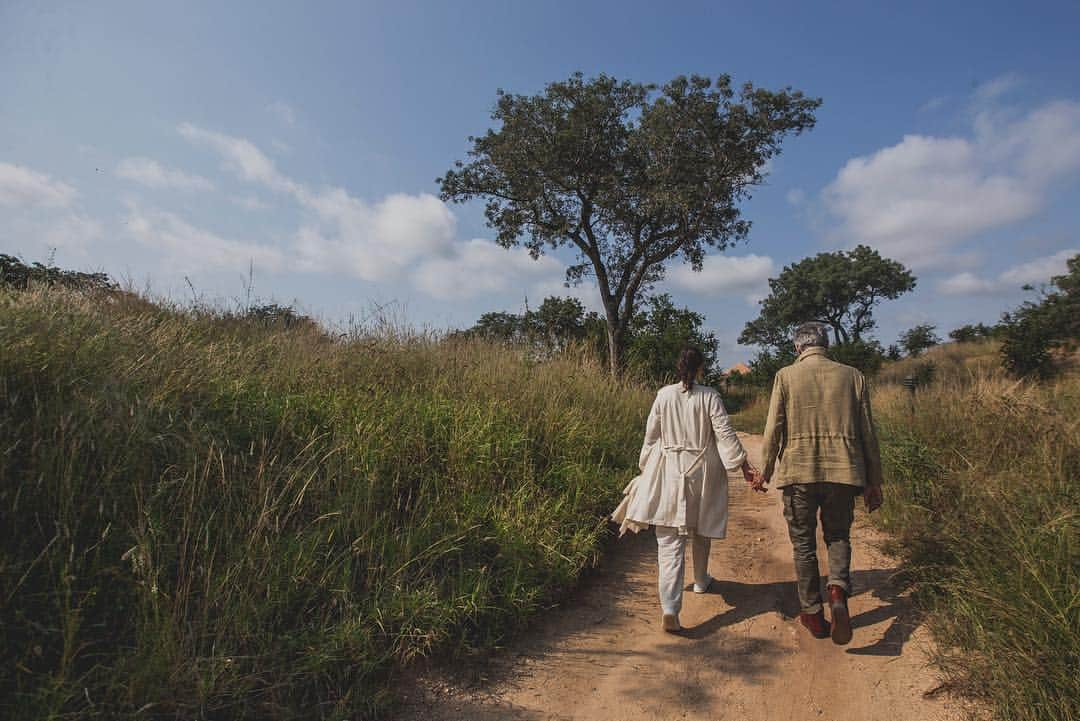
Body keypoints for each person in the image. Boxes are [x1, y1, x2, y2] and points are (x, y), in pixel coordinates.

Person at [612, 347, 762, 632]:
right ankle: (702, 580)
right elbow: (725, 435)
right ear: (701, 368)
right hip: (702, 471)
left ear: (678, 367)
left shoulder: (663, 395)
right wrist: (744, 467)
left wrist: (647, 466)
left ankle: (670, 608)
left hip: (669, 471)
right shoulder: (710, 397)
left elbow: (651, 435)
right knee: (701, 529)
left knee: (669, 542)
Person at [755, 322, 884, 645]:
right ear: (825, 344)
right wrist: (874, 481)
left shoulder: (785, 376)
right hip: (843, 472)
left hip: (799, 474)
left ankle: (813, 612)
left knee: (803, 545)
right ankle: (838, 590)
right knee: (838, 536)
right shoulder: (853, 376)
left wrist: (765, 471)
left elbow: (773, 430)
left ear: (798, 348)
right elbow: (868, 433)